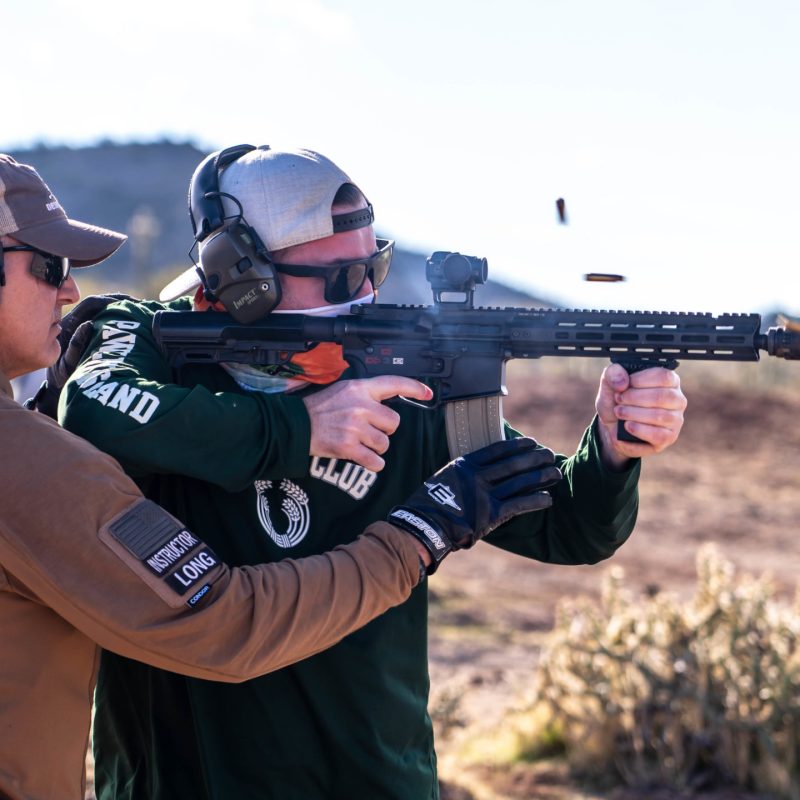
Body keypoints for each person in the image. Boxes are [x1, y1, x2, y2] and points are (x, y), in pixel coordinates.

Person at [60, 144, 688, 799]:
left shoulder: (405, 383)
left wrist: (614, 449)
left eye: (374, 265)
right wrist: (298, 430)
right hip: (184, 778)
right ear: (243, 274)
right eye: (338, 278)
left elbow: (571, 528)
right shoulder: (148, 341)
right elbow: (93, 409)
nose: (365, 292)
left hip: (370, 778)